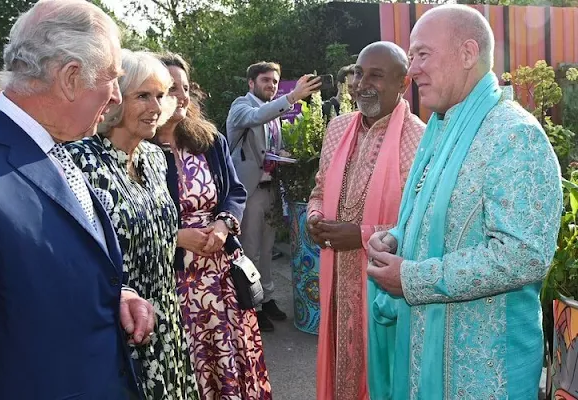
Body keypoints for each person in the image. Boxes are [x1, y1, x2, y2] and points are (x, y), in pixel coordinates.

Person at [0, 1, 155, 398]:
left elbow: (27, 281)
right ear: (71, 78)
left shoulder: (53, 145)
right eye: (112, 78)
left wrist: (111, 297)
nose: (115, 98)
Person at [367, 5, 563, 399]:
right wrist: (395, 238)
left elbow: (523, 255)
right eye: (411, 57)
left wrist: (411, 278)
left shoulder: (514, 135)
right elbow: (439, 220)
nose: (412, 70)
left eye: (422, 54)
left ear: (468, 53)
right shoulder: (441, 130)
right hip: (427, 362)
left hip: (483, 378)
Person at [66, 49, 200, 400]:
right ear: (114, 100)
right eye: (142, 96)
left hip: (166, 316)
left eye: (160, 95)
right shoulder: (80, 161)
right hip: (119, 323)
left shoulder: (155, 157)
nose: (156, 107)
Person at [307, 42, 425, 400]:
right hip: (336, 275)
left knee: (383, 375)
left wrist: (360, 236)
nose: (362, 83)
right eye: (358, 72)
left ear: (403, 83)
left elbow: (420, 221)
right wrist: (314, 217)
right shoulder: (338, 128)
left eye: (376, 75)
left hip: (382, 284)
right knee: (339, 361)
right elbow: (319, 188)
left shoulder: (418, 137)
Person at [154, 52, 272, 399]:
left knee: (230, 359)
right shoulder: (139, 148)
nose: (181, 96)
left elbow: (235, 191)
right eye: (170, 88)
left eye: (185, 87)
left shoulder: (209, 140)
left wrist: (223, 225)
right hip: (175, 278)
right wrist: (176, 238)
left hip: (220, 272)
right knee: (190, 363)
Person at [226, 61, 321, 331]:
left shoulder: (276, 112)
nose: (272, 85)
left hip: (270, 190)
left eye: (275, 82)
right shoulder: (240, 107)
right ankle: (250, 306)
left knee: (267, 250)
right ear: (251, 83)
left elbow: (272, 146)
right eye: (266, 80)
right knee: (250, 249)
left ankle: (266, 299)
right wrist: (291, 97)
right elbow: (256, 118)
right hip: (249, 192)